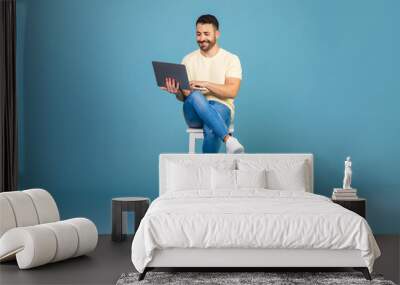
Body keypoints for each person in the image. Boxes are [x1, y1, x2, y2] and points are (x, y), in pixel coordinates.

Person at [160, 14, 245, 153]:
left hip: (221, 107)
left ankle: (206, 171)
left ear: (217, 34)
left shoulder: (231, 59)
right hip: (193, 113)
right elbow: (184, 97)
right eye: (198, 34)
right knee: (194, 96)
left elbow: (232, 91)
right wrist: (177, 92)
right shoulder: (188, 59)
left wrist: (206, 84)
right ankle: (228, 140)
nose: (201, 38)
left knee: (211, 128)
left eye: (206, 33)